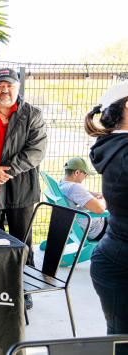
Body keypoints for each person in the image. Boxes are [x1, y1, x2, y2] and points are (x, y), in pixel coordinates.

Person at [0, 68, 47, 309]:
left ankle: (23, 289)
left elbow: (36, 152)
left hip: (21, 190)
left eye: (9, 86)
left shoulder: (32, 115)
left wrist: (4, 172)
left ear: (18, 88)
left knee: (22, 242)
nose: (4, 90)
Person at [85, 80, 128, 354]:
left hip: (113, 257)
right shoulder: (123, 151)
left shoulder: (113, 147)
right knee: (121, 342)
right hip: (119, 264)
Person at [58, 157, 107, 241]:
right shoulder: (75, 188)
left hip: (79, 226)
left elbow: (88, 193)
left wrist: (101, 196)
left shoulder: (62, 184)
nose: (85, 177)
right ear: (77, 172)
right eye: (85, 174)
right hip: (97, 230)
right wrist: (103, 200)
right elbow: (100, 209)